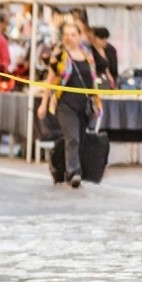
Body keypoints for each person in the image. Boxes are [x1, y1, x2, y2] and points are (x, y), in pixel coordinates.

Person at [37, 23, 101, 188]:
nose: (69, 38)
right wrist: (43, 104)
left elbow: (93, 79)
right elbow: (50, 80)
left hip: (84, 104)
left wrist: (97, 100)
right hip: (66, 104)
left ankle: (63, 167)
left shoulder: (87, 55)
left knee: (78, 139)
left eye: (73, 34)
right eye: (66, 34)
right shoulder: (59, 56)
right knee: (72, 138)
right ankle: (74, 172)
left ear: (79, 36)